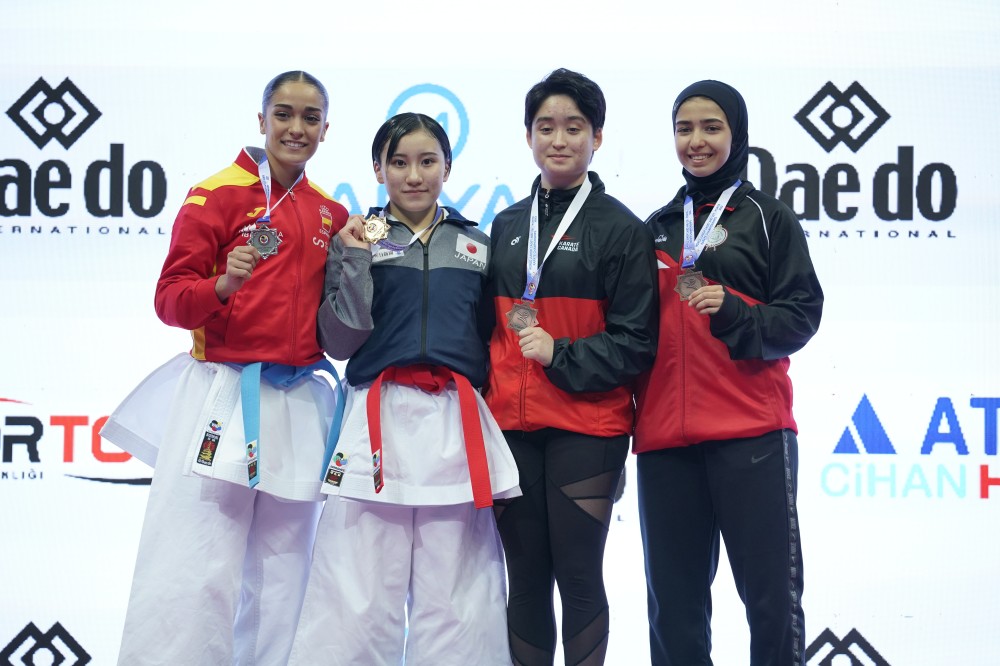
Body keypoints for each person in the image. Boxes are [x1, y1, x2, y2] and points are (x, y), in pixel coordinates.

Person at [100, 70, 348, 665]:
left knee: (287, 573)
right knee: (195, 567)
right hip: (223, 398)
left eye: (309, 118)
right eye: (283, 114)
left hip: (298, 402)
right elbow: (169, 299)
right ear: (261, 120)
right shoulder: (216, 195)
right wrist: (223, 283)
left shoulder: (331, 215)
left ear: (325, 129)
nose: (295, 128)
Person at [288, 112, 520, 665]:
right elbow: (339, 341)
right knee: (359, 587)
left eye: (427, 161)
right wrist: (355, 262)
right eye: (398, 162)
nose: (413, 175)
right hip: (376, 419)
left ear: (447, 166)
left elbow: (494, 341)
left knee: (458, 590)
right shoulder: (353, 237)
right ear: (377, 168)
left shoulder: (477, 245)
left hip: (453, 423)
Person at [633, 80, 824, 666]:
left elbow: (803, 315)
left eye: (711, 128)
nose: (697, 141)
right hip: (667, 441)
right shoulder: (655, 226)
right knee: (674, 608)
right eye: (684, 128)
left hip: (752, 433)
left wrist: (737, 310)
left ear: (736, 135)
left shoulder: (770, 219)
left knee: (770, 601)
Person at [485, 68, 658, 665]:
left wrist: (560, 355)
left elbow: (637, 344)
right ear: (529, 135)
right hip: (510, 428)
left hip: (589, 428)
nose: (559, 140)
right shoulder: (506, 226)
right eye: (546, 127)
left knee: (579, 576)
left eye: (574, 128)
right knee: (525, 578)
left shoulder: (622, 230)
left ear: (598, 137)